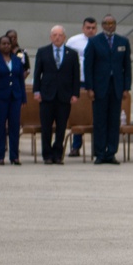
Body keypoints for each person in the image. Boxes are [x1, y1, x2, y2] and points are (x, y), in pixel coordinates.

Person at [83, 14, 131, 164]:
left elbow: (127, 66)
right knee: (100, 121)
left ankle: (111, 152)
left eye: (112, 23)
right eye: (107, 23)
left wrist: (126, 87)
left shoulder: (123, 41)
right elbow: (88, 66)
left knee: (113, 120)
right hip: (99, 87)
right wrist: (89, 87)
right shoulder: (94, 42)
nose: (110, 26)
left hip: (116, 86)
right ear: (102, 25)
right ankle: (100, 153)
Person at [34, 25, 80, 164]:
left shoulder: (71, 54)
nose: (57, 37)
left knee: (61, 127)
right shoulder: (43, 52)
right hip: (46, 95)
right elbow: (37, 73)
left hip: (64, 95)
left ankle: (58, 154)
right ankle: (47, 155)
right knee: (46, 127)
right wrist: (37, 91)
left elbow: (75, 75)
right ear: (50, 37)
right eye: (55, 35)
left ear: (64, 37)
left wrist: (75, 93)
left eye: (60, 35)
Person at [0, 35, 26, 165]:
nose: (6, 46)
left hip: (15, 97)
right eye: (3, 43)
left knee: (14, 127)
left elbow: (20, 79)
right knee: (0, 127)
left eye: (8, 43)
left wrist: (23, 97)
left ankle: (14, 156)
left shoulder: (17, 60)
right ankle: (0, 156)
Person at [65, 17, 96, 156]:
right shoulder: (73, 41)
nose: (90, 30)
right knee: (79, 113)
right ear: (83, 28)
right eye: (88, 28)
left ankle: (97, 147)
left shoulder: (100, 41)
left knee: (95, 114)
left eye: (93, 28)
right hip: (78, 81)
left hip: (95, 82)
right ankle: (76, 146)